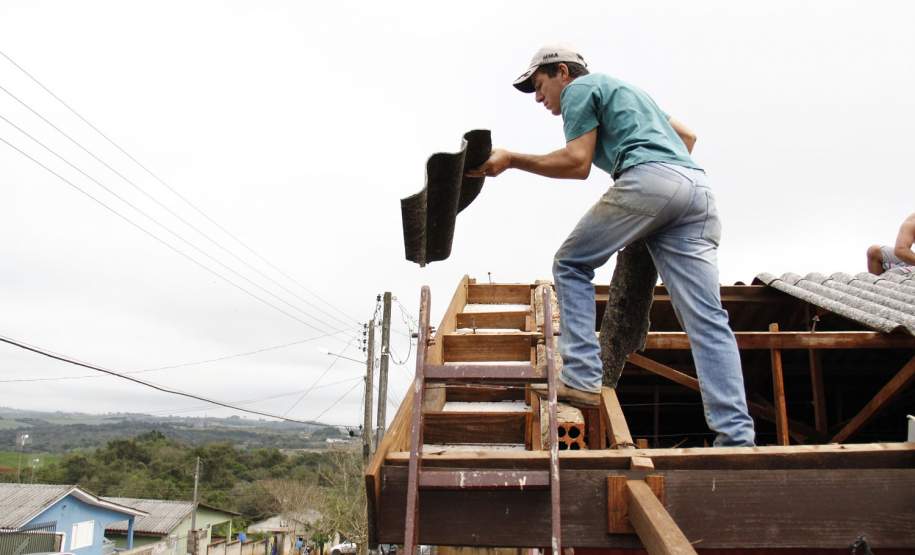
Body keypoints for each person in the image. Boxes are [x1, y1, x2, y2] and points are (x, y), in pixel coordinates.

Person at [468, 44, 755, 447]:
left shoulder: (579, 91)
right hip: (697, 192)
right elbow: (688, 136)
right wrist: (660, 200)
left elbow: (577, 162)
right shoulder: (632, 93)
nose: (538, 97)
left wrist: (512, 160)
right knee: (708, 321)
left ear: (563, 72)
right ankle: (738, 438)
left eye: (539, 85)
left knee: (571, 263)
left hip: (653, 181)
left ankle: (582, 376)